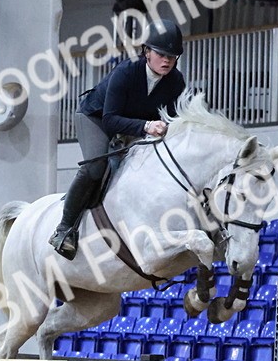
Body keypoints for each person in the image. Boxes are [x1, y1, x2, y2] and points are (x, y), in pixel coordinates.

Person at [49, 19, 187, 259]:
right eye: (161, 54)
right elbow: (110, 119)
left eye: (172, 57)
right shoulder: (126, 72)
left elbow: (172, 119)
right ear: (146, 51)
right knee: (96, 167)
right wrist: (146, 126)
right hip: (97, 117)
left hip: (135, 126)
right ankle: (64, 229)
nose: (167, 61)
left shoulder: (176, 81)